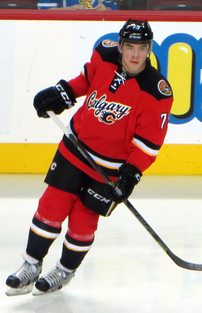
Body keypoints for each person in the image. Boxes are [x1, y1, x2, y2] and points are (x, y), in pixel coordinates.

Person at [5, 19, 173, 297]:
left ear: (149, 49)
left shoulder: (157, 91)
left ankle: (64, 270)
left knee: (83, 222)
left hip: (109, 169)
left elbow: (149, 144)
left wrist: (130, 175)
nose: (135, 54)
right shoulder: (104, 55)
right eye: (129, 47)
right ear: (119, 46)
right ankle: (31, 265)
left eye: (141, 48)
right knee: (51, 206)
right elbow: (87, 80)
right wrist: (63, 93)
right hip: (75, 149)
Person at [38, 0, 117, 10]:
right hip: (64, 33)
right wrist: (65, 11)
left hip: (97, 30)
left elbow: (114, 9)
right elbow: (42, 11)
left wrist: (105, 10)